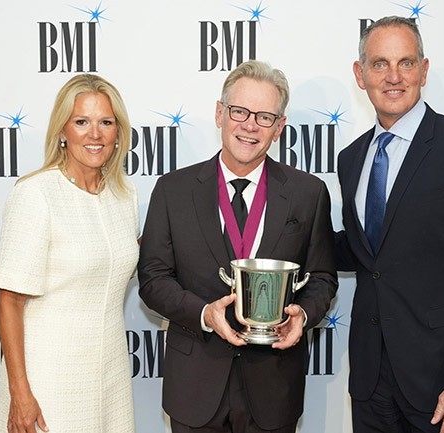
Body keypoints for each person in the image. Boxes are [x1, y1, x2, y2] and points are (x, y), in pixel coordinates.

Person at [137, 60, 338, 433]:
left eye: (264, 117)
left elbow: (322, 277)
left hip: (274, 386)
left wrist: (303, 317)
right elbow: (152, 279)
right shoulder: (172, 190)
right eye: (240, 111)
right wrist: (204, 313)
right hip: (195, 386)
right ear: (219, 113)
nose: (249, 125)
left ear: (279, 128)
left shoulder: (308, 193)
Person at [335, 16, 444, 433]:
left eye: (406, 63)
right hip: (370, 381)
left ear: (424, 70)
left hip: (441, 385)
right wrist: (285, 230)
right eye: (379, 64)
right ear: (360, 75)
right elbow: (366, 253)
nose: (393, 77)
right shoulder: (351, 158)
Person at [0, 73, 138, 433]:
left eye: (106, 122)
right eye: (81, 122)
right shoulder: (36, 194)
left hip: (112, 374)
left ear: (119, 132)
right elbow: (9, 300)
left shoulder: (124, 196)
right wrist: (20, 394)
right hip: (50, 378)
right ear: (62, 130)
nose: (95, 134)